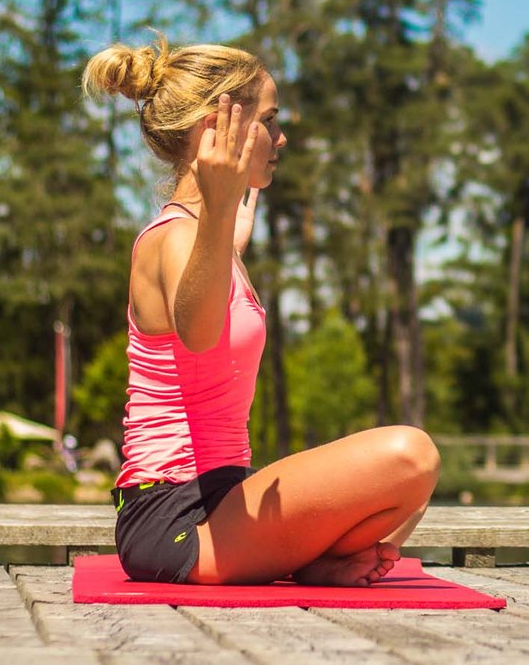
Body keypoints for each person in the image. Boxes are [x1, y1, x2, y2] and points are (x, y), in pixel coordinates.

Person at [84, 38, 440, 586]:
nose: (282, 138)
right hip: (177, 515)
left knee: (407, 488)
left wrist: (226, 238)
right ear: (216, 130)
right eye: (269, 121)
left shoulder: (205, 242)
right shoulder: (176, 238)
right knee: (410, 455)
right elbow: (199, 336)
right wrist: (220, 209)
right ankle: (306, 561)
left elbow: (203, 309)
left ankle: (309, 561)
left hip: (221, 499)